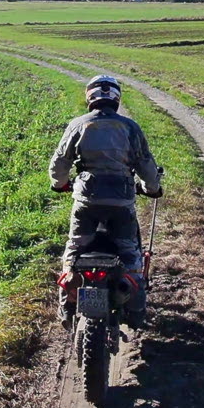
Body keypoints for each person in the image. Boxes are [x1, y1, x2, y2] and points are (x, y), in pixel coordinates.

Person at [50, 74, 162, 327]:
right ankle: (135, 308)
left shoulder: (78, 124)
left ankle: (67, 304)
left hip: (86, 201)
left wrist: (60, 184)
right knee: (130, 252)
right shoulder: (130, 127)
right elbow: (145, 163)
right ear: (117, 99)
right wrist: (151, 188)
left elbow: (60, 162)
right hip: (121, 201)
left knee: (75, 248)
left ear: (89, 97)